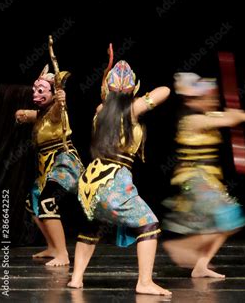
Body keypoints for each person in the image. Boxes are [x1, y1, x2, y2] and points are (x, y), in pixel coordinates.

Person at [67, 60, 171, 296]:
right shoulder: (132, 110)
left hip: (90, 181)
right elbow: (164, 91)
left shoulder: (100, 112)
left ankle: (76, 278)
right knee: (148, 224)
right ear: (133, 89)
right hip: (114, 180)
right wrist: (139, 99)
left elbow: (106, 96)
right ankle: (144, 282)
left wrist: (107, 75)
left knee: (91, 225)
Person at [162, 73, 245, 278]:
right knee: (229, 218)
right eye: (206, 97)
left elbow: (227, 117)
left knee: (223, 224)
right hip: (194, 178)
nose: (211, 101)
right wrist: (241, 116)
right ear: (192, 99)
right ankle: (180, 247)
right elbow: (228, 118)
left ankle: (201, 265)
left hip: (208, 180)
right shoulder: (192, 120)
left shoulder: (206, 116)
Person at [15, 64, 83, 266]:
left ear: (54, 94)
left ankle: (62, 254)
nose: (36, 94)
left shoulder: (57, 111)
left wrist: (62, 100)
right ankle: (53, 246)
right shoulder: (42, 113)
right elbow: (30, 115)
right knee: (33, 202)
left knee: (46, 200)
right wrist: (22, 114)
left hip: (63, 162)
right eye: (34, 90)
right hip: (46, 165)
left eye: (41, 91)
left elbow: (57, 111)